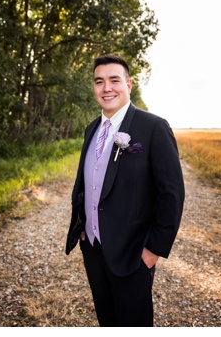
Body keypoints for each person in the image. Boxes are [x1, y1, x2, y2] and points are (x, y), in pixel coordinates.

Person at [65, 54, 185, 326]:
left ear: (128, 84)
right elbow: (86, 182)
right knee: (107, 320)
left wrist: (153, 250)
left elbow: (172, 194)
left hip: (134, 253)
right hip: (94, 249)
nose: (106, 88)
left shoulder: (154, 127)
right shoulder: (91, 129)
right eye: (99, 81)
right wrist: (82, 228)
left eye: (114, 80)